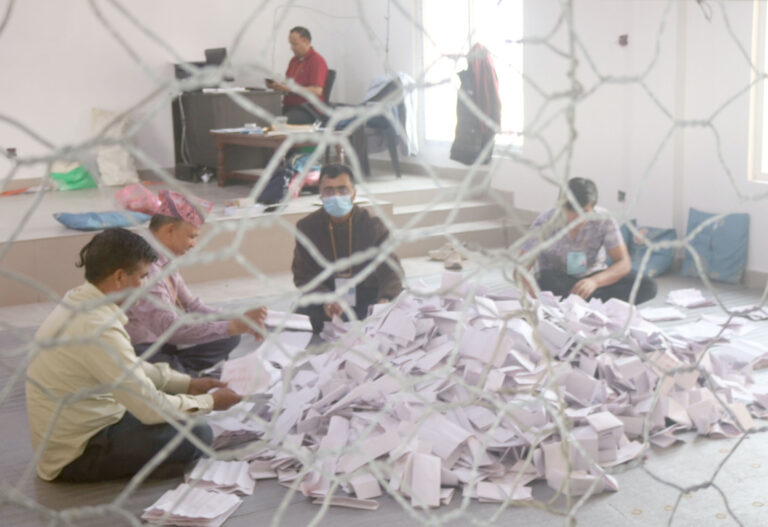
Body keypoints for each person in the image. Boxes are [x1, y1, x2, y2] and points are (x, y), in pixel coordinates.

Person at [26, 228, 242, 482]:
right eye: (142, 277)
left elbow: (131, 366)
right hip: (77, 453)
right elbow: (149, 408)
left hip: (88, 421)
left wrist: (187, 383)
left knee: (178, 407)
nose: (145, 285)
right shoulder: (97, 326)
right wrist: (210, 402)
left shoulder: (80, 300)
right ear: (119, 277)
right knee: (198, 432)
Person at [125, 190, 267, 375]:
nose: (194, 244)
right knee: (225, 332)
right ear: (169, 230)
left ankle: (179, 373)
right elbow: (170, 329)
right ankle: (179, 375)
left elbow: (192, 306)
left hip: (166, 340)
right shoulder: (145, 264)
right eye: (191, 236)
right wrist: (232, 325)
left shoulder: (164, 257)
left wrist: (237, 318)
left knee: (229, 337)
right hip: (143, 346)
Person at [292, 163, 404, 332]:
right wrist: (325, 299)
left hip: (365, 293)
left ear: (354, 193)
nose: (336, 196)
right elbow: (303, 275)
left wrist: (386, 299)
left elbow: (391, 268)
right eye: (329, 190)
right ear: (321, 195)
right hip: (328, 295)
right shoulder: (307, 227)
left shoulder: (372, 225)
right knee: (302, 316)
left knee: (396, 307)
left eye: (342, 190)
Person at [520, 177, 657, 304]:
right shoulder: (545, 222)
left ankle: (581, 302)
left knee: (648, 286)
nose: (578, 218)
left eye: (585, 212)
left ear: (593, 207)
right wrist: (534, 297)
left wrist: (594, 281)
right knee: (544, 282)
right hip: (558, 279)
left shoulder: (604, 220)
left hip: (593, 275)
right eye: (572, 211)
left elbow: (623, 263)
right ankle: (593, 302)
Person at [266, 26, 328, 124]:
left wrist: (291, 89)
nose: (292, 48)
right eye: (291, 44)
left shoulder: (317, 61)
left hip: (308, 110)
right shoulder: (294, 61)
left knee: (283, 122)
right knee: (265, 115)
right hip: (291, 107)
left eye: (295, 44)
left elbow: (317, 91)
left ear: (306, 41)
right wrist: (278, 86)